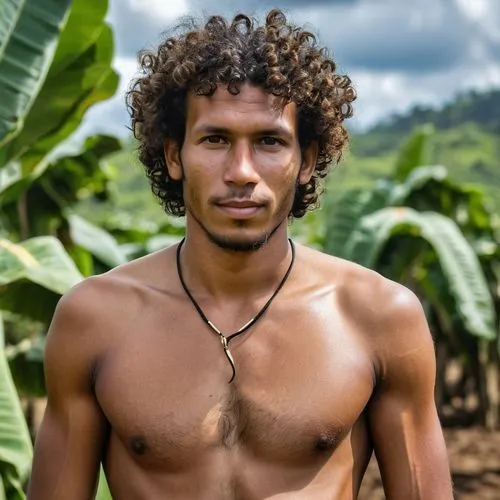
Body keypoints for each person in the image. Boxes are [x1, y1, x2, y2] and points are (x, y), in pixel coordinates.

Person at [27, 9, 454, 500]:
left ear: (307, 161)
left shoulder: (379, 317)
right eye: (215, 139)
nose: (242, 171)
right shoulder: (95, 319)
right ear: (173, 156)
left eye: (270, 141)